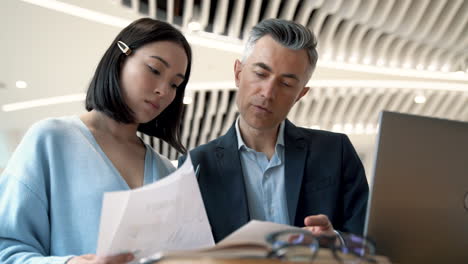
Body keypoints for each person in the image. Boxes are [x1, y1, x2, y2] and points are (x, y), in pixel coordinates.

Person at [0, 18, 191, 264]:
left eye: (175, 84)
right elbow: (5, 249)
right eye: (154, 70)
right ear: (121, 58)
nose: (164, 91)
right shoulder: (50, 140)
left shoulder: (168, 171)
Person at [179, 18, 369, 242]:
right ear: (238, 73)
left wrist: (337, 242)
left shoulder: (336, 151)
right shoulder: (195, 166)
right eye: (260, 74)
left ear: (300, 94)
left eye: (286, 84)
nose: (268, 93)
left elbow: (370, 240)